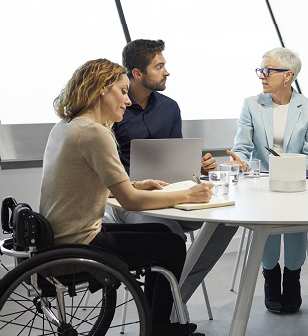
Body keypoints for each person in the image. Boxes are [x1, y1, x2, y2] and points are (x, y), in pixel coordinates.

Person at [41, 58, 211, 336]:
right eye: (122, 91)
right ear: (101, 90)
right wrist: (189, 194)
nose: (128, 100)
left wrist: (138, 184)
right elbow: (131, 202)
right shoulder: (95, 133)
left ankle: (158, 322)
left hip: (58, 235)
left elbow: (87, 184)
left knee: (158, 234)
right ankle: (159, 325)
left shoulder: (66, 127)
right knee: (171, 243)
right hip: (82, 241)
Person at [106, 39, 238, 320]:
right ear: (137, 73)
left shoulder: (170, 107)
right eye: (159, 66)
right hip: (133, 202)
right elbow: (109, 173)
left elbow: (176, 159)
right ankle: (159, 317)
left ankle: (179, 293)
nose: (167, 72)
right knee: (169, 235)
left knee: (225, 222)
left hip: (172, 194)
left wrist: (198, 168)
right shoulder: (113, 110)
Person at [228, 47, 308, 313]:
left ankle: (292, 278)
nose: (261, 76)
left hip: (297, 183)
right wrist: (239, 159)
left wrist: (290, 166)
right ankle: (270, 277)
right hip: (261, 184)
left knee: (296, 220)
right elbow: (242, 146)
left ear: (287, 75)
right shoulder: (251, 104)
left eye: (267, 71)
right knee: (267, 219)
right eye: (260, 70)